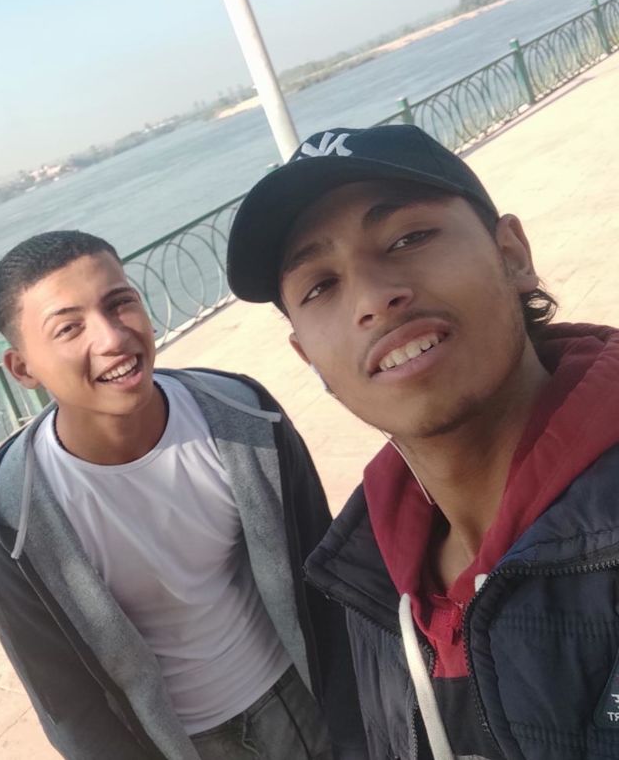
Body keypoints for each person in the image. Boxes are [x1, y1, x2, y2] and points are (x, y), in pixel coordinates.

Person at [226, 125, 619, 760]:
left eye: (408, 238)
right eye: (320, 286)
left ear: (512, 254)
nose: (374, 299)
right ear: (308, 357)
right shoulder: (364, 573)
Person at [0, 230, 367, 760]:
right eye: (69, 328)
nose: (112, 338)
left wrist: (356, 719)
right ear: (23, 369)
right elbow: (65, 703)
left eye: (120, 303)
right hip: (176, 744)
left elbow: (325, 570)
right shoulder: (9, 513)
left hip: (300, 696)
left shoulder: (242, 414)